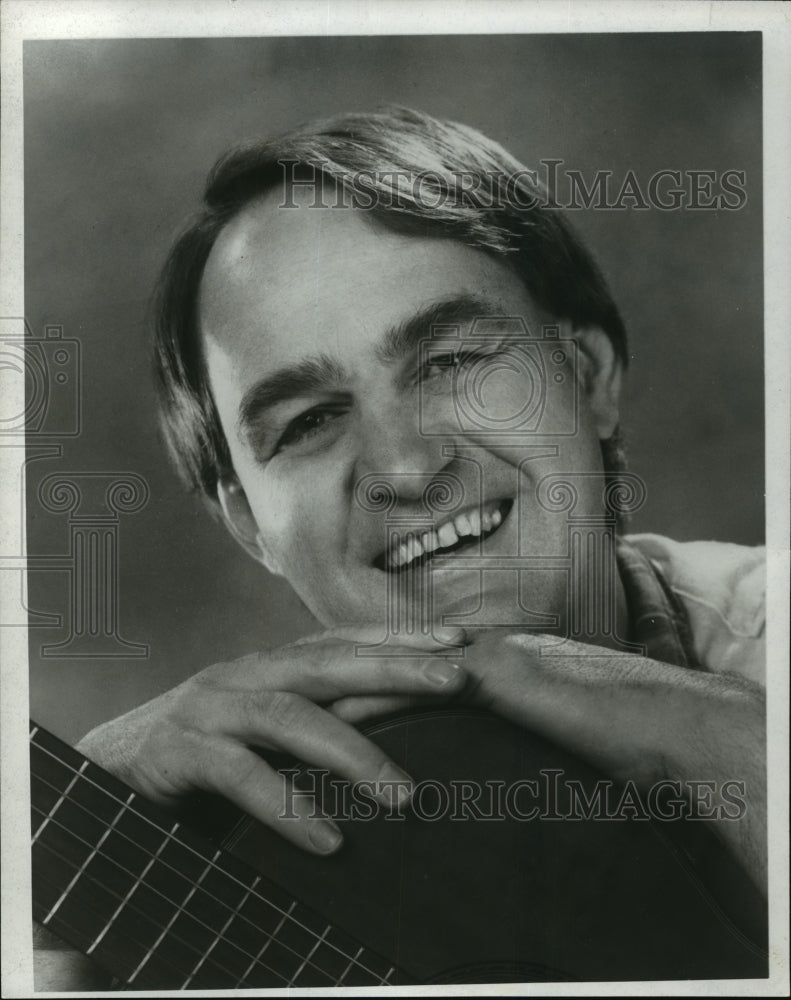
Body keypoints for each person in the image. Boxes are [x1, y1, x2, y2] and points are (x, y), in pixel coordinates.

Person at [33, 107, 766, 987]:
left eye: (451, 361)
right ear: (245, 523)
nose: (407, 468)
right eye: (308, 421)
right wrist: (64, 883)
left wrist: (718, 740)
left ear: (590, 377)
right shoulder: (222, 835)